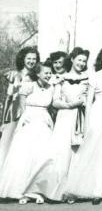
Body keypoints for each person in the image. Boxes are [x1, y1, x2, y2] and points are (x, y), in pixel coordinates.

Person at [26, 47, 90, 202]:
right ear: (72, 59)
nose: (81, 63)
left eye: (84, 61)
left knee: (76, 153)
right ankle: (51, 189)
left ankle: (71, 190)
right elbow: (54, 101)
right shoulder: (62, 79)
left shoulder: (88, 79)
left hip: (79, 118)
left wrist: (83, 102)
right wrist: (69, 105)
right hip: (65, 117)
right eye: (79, 59)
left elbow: (89, 98)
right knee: (60, 152)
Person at [63, 47, 102, 204]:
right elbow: (89, 102)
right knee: (97, 151)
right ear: (101, 59)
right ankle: (96, 191)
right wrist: (87, 123)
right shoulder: (95, 76)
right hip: (98, 113)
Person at [0, 61, 55, 203]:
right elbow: (22, 104)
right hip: (30, 120)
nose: (49, 75)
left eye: (50, 73)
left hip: (44, 122)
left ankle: (36, 191)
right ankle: (21, 191)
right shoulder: (28, 86)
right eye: (46, 73)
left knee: (42, 157)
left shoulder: (51, 88)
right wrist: (25, 120)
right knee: (25, 155)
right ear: (37, 73)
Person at [0, 46, 40, 169]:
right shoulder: (14, 74)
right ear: (23, 59)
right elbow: (8, 97)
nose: (31, 61)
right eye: (29, 58)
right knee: (8, 141)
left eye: (34, 59)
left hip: (31, 111)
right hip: (14, 111)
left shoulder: (37, 76)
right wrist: (3, 120)